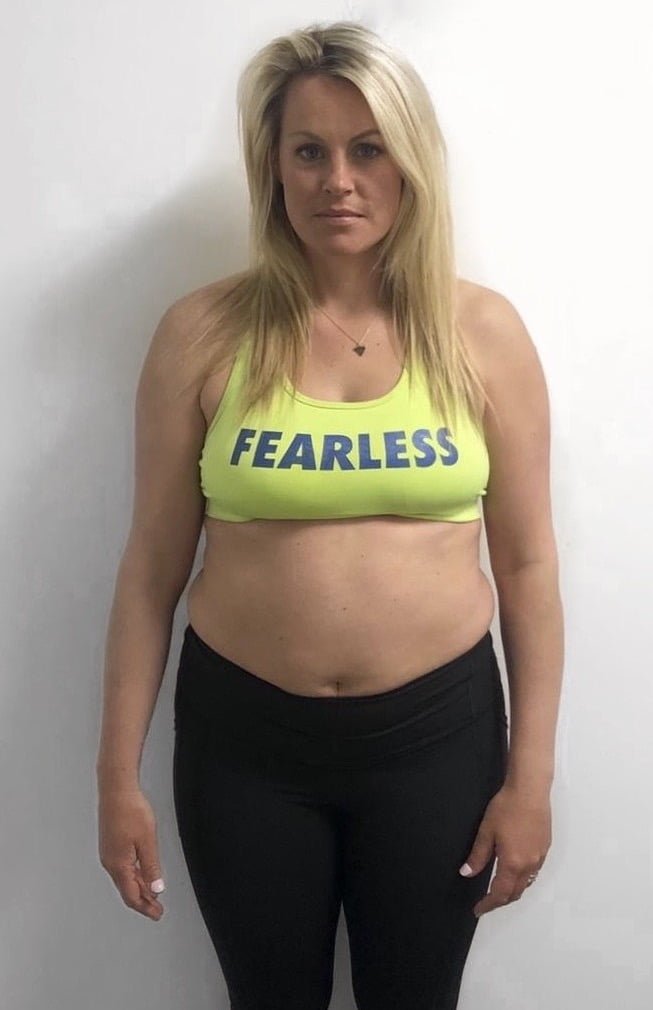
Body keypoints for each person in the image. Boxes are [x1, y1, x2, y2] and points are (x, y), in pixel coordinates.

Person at [96, 19, 564, 1010]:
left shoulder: (480, 332)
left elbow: (525, 567)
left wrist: (530, 780)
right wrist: (115, 777)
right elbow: (149, 569)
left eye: (366, 149)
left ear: (409, 163)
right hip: (243, 741)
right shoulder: (202, 332)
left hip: (437, 736)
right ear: (272, 169)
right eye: (306, 151)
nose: (335, 179)